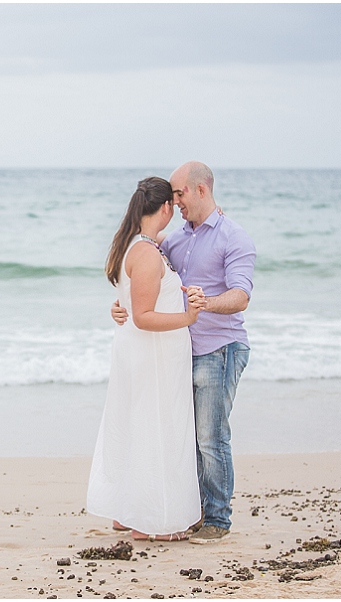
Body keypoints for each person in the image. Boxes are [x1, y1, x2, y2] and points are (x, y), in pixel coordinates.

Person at [112, 161, 256, 544]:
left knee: (211, 438)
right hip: (182, 351)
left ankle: (218, 519)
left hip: (220, 348)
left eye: (180, 194)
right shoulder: (175, 240)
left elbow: (241, 295)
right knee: (186, 437)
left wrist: (205, 304)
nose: (174, 202)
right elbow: (144, 271)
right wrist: (121, 305)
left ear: (201, 191)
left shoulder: (234, 238)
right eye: (171, 196)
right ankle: (193, 511)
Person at [87, 176, 206, 542]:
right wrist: (188, 318)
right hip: (151, 353)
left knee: (138, 426)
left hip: (141, 351)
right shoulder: (146, 253)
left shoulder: (137, 245)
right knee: (156, 428)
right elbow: (144, 316)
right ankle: (148, 522)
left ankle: (127, 512)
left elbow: (131, 303)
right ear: (166, 207)